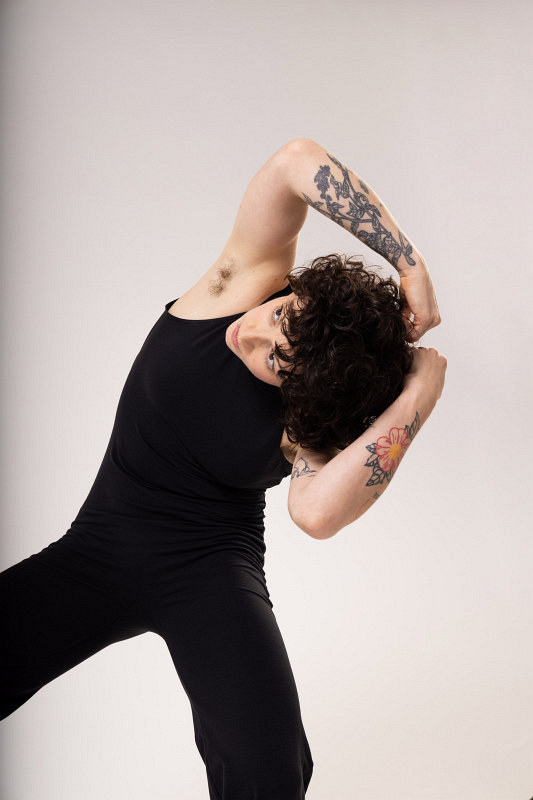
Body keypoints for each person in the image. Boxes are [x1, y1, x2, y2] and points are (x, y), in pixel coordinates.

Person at [0, 137, 446, 798]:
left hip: (210, 569)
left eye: (274, 359)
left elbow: (315, 514)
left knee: (272, 771)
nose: (252, 333)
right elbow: (295, 163)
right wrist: (409, 265)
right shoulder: (236, 286)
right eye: (280, 317)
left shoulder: (307, 422)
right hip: (96, 553)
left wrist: (416, 394)